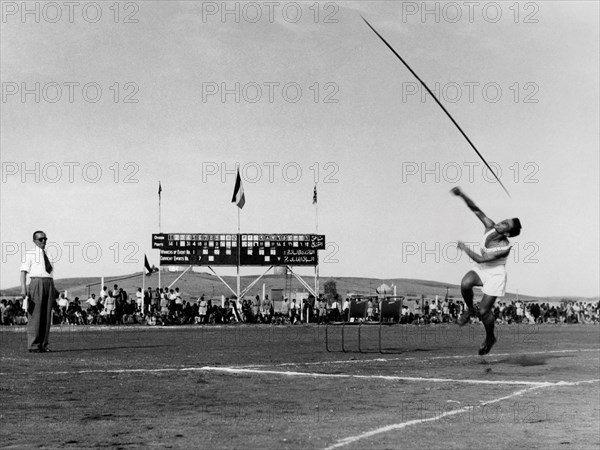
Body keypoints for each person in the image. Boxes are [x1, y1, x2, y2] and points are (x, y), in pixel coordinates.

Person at [451, 187, 522, 355]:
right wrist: (462, 194)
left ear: (508, 233)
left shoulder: (505, 247)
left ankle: (490, 337)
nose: (500, 222)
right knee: (465, 283)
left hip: (496, 274)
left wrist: (464, 248)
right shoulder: (489, 225)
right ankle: (469, 310)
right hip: (483, 269)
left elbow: (481, 259)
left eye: (505, 224)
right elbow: (475, 208)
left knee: (483, 311)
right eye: (503, 220)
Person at [20, 230, 58, 352]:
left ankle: (43, 344)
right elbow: (23, 272)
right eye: (40, 239)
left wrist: (53, 287)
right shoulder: (29, 254)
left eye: (45, 239)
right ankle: (33, 345)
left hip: (49, 283)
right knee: (35, 315)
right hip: (36, 283)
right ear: (34, 241)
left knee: (46, 316)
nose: (43, 241)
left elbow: (50, 272)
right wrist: (23, 288)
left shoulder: (49, 254)